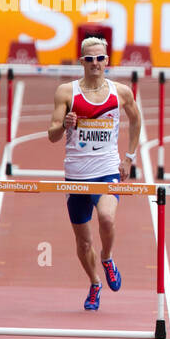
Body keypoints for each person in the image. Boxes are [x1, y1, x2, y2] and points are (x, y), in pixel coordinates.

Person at [47, 37, 143, 311]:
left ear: (107, 61)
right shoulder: (66, 92)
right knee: (83, 241)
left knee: (106, 218)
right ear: (82, 62)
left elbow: (136, 120)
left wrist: (129, 157)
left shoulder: (120, 92)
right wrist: (64, 125)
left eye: (100, 58)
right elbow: (52, 135)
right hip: (76, 174)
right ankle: (94, 283)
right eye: (90, 59)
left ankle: (108, 257)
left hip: (107, 171)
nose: (95, 63)